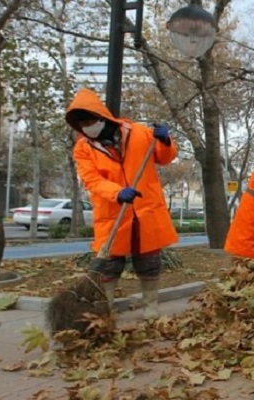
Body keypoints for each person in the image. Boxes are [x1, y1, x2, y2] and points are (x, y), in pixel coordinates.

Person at [66, 87, 178, 319]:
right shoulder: (83, 148)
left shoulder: (138, 132)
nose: (87, 127)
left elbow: (164, 157)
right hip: (112, 211)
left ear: (102, 116)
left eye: (90, 120)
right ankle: (105, 308)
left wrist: (166, 140)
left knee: (148, 260)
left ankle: (151, 307)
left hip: (146, 209)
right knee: (109, 264)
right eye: (82, 124)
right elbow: (92, 180)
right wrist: (117, 193)